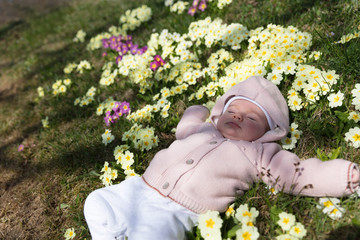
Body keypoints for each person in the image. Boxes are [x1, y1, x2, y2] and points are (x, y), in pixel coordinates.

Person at [84, 76, 359, 239]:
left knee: (152, 235)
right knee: (97, 201)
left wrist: (343, 177)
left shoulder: (259, 153)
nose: (238, 116)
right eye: (233, 110)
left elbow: (295, 174)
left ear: (269, 132)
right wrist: (194, 112)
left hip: (178, 210)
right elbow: (184, 130)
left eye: (252, 117)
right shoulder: (204, 128)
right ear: (219, 113)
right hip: (139, 187)